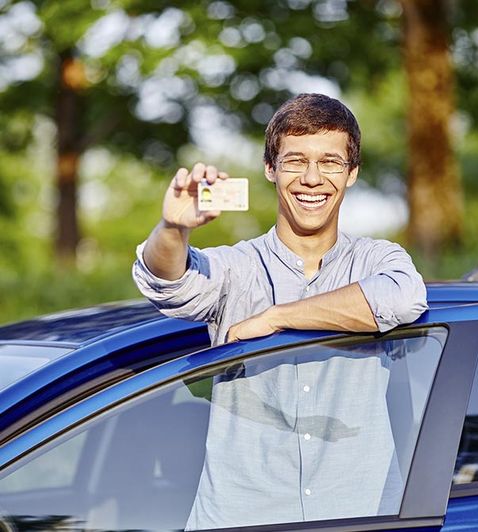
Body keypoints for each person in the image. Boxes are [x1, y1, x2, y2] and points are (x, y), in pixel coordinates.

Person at [133, 93, 427, 529]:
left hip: (360, 516)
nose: (312, 179)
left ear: (352, 174)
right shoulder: (236, 269)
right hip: (242, 518)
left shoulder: (377, 260)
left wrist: (276, 317)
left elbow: (401, 299)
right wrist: (173, 228)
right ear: (271, 169)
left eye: (330, 162)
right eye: (295, 161)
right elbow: (165, 281)